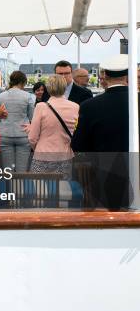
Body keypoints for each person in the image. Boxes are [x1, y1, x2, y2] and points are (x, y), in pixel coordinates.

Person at [72, 55, 134, 210]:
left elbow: (78, 144)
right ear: (128, 76)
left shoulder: (89, 106)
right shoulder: (135, 102)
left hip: (106, 174)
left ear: (105, 75)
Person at [26, 75, 78, 179]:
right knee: (63, 189)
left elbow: (32, 137)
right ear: (64, 87)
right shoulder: (75, 107)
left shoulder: (41, 107)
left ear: (48, 89)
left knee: (40, 190)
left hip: (42, 155)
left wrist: (38, 147)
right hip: (65, 155)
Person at [0, 71, 35, 172]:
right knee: (21, 170)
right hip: (23, 135)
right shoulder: (28, 96)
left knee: (8, 170)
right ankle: (19, 187)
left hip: (5, 134)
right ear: (23, 82)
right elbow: (32, 117)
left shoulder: (1, 96)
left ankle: (9, 188)